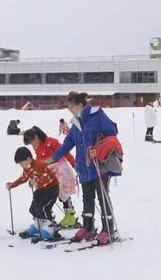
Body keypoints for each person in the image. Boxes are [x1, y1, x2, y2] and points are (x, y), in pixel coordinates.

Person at [50, 92, 121, 245]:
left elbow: (112, 133)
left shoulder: (97, 115)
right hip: (84, 167)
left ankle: (108, 229)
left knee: (102, 197)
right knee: (87, 197)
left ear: (80, 104)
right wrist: (52, 159)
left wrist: (99, 147)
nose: (70, 110)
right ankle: (88, 226)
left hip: (99, 164)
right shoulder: (76, 124)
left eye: (71, 107)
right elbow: (67, 144)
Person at [23, 126, 78, 228]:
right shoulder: (37, 147)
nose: (32, 145)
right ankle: (47, 216)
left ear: (36, 137)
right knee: (50, 193)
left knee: (62, 192)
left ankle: (70, 216)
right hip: (50, 172)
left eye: (32, 142)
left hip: (61, 170)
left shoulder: (51, 142)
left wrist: (74, 164)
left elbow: (65, 152)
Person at [7, 147, 60, 240]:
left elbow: (46, 179)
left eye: (21, 163)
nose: (21, 166)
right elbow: (23, 178)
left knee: (44, 208)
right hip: (41, 190)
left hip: (51, 189)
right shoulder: (27, 168)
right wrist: (13, 184)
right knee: (33, 208)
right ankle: (38, 224)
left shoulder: (39, 165)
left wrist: (36, 183)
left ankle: (50, 227)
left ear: (28, 159)